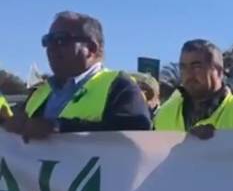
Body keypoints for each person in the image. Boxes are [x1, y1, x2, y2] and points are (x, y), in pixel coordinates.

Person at [3, 11, 151, 141]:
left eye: (61, 39)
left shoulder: (119, 86)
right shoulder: (39, 93)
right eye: (47, 41)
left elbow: (136, 137)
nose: (51, 48)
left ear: (91, 48)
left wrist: (60, 128)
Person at [153, 39, 233, 137]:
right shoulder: (165, 114)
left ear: (218, 71)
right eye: (183, 67)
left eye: (196, 67)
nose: (188, 73)